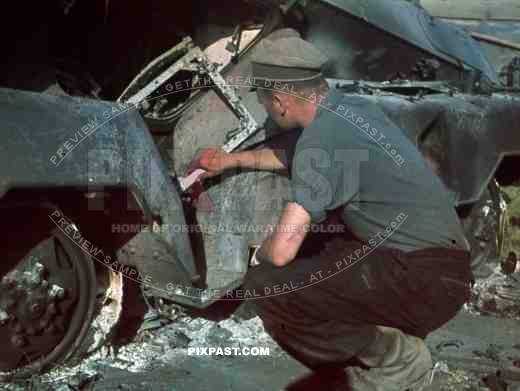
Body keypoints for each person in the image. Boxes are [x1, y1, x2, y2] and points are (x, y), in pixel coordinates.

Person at [189, 35, 473, 390]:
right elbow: (297, 153)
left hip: (423, 279)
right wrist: (232, 160)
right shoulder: (351, 110)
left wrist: (254, 255)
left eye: (263, 100)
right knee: (323, 251)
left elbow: (280, 252)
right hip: (443, 269)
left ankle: (396, 360)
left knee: (269, 285)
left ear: (278, 102)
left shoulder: (321, 140)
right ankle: (383, 341)